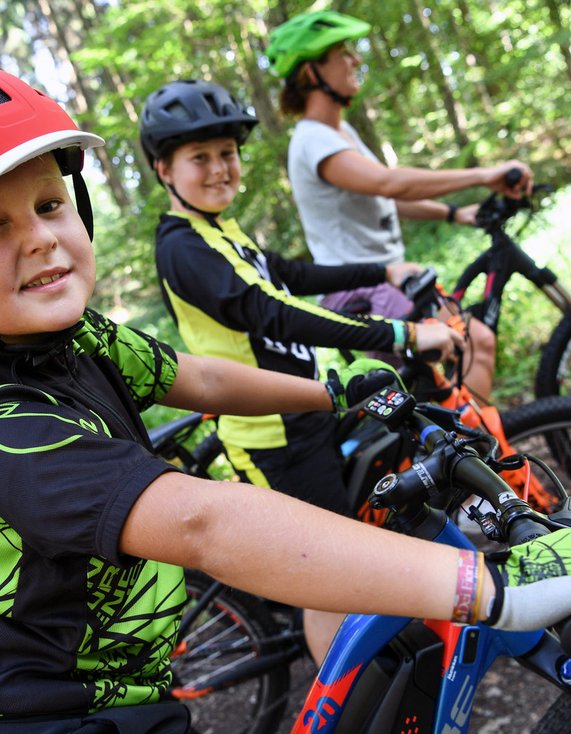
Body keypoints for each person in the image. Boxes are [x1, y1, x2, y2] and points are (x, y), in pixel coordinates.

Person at [0, 64, 571, 734]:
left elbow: (203, 377)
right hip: (53, 722)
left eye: (48, 205)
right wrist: (484, 590)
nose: (40, 236)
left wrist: (331, 392)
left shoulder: (79, 340)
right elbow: (203, 522)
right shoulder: (0, 421)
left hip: (127, 698)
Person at [141, 78, 466, 663]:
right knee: (327, 585)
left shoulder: (220, 228)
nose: (220, 169)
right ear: (164, 169)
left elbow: (291, 274)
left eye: (227, 154)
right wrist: (402, 332)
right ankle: (342, 712)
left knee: (359, 528)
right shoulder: (182, 247)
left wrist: (383, 270)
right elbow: (274, 311)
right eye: (200, 158)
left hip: (309, 413)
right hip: (273, 439)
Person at [266, 10, 534, 404]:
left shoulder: (339, 132)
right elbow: (388, 182)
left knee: (467, 353)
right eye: (342, 53)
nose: (355, 60)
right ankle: (470, 456)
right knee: (470, 346)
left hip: (389, 282)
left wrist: (454, 213)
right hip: (362, 291)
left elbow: (383, 197)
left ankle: (469, 453)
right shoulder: (312, 140)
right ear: (311, 74)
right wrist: (484, 174)